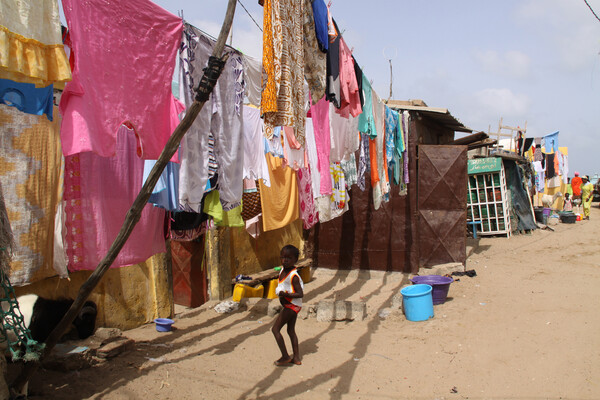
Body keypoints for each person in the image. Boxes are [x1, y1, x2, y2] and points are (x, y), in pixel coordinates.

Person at [272, 244, 304, 366]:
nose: (285, 260)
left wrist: (285, 294)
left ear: (295, 260)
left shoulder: (294, 276)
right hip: (290, 305)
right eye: (283, 257)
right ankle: (296, 357)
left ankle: (285, 356)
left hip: (292, 306)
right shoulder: (282, 270)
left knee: (275, 329)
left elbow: (300, 294)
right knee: (291, 330)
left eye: (288, 258)